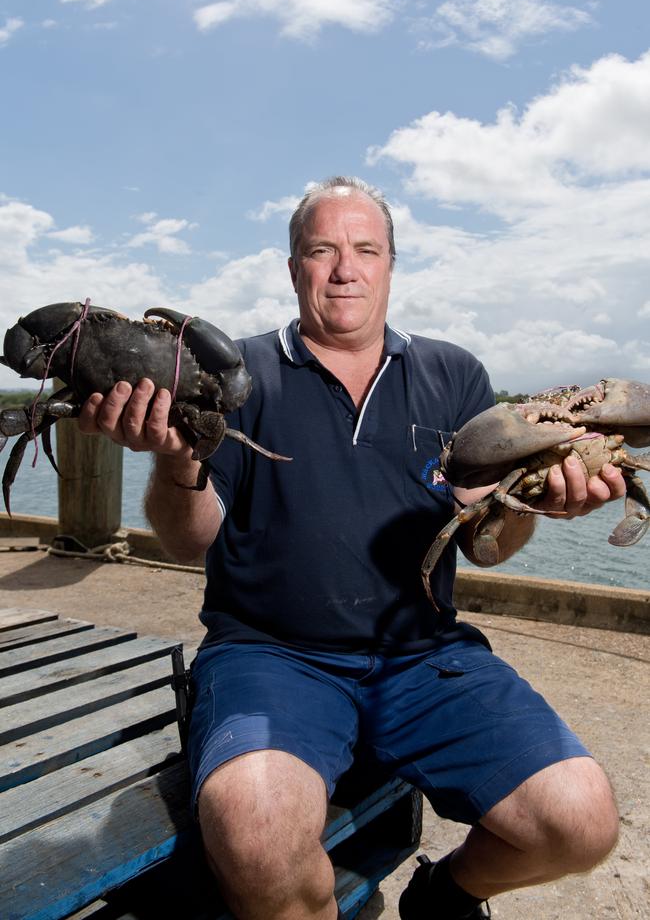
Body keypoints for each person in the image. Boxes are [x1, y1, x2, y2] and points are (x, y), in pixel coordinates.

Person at [79, 177, 623, 920]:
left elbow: (489, 545)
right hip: (272, 654)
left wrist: (531, 503)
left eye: (366, 249)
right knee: (255, 836)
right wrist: (176, 462)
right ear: (293, 266)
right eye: (321, 250)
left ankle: (446, 895)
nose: (344, 269)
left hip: (427, 655)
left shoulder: (454, 374)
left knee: (581, 823)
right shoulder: (234, 376)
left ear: (391, 264)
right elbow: (186, 542)